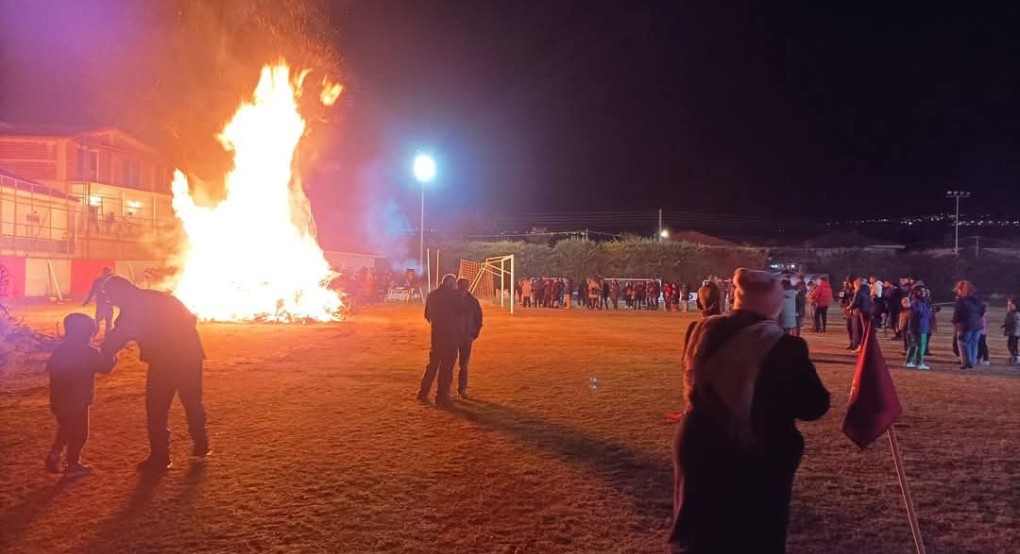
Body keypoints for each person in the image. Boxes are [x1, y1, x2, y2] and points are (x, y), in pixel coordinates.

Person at [671, 268, 829, 553]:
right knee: (751, 539)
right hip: (752, 458)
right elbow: (814, 406)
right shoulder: (784, 346)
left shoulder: (699, 329)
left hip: (697, 447)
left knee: (699, 537)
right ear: (772, 302)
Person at [101, 276, 209, 471]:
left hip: (164, 361)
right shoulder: (162, 297)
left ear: (121, 292)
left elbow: (119, 336)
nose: (111, 301)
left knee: (157, 408)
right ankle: (201, 444)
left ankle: (161, 456)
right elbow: (190, 319)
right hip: (190, 355)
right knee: (193, 401)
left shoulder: (131, 310)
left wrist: (105, 352)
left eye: (111, 297)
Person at [46, 313, 117, 477]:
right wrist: (111, 354)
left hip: (59, 398)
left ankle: (55, 453)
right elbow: (105, 367)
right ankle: (73, 464)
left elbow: (52, 370)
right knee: (79, 433)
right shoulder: (88, 352)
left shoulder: (60, 351)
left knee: (65, 428)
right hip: (79, 400)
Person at [418, 274, 464, 407]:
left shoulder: (431, 295)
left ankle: (423, 392)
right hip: (451, 336)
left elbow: (427, 315)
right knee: (446, 367)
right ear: (450, 284)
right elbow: (462, 312)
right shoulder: (454, 296)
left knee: (432, 365)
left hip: (436, 335)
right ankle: (442, 396)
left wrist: (436, 324)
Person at [455, 278, 483, 399]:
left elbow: (479, 319)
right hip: (452, 336)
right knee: (448, 364)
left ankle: (462, 389)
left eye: (465, 286)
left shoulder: (473, 302)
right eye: (462, 286)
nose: (464, 288)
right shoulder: (451, 300)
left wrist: (474, 333)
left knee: (464, 365)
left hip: (466, 337)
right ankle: (445, 390)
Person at [951, 280, 984, 370]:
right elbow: (982, 310)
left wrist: (955, 323)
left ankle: (966, 363)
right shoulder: (977, 300)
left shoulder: (961, 301)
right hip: (977, 324)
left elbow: (958, 315)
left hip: (965, 325)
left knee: (963, 343)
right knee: (973, 343)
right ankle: (972, 361)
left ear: (961, 290)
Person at [905, 287, 932, 370]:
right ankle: (919, 363)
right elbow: (921, 314)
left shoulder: (920, 302)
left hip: (919, 326)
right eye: (922, 292)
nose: (924, 293)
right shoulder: (916, 303)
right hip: (919, 327)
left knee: (914, 345)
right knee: (921, 345)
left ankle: (909, 361)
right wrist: (929, 311)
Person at [82, 267, 115, 336]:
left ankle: (102, 332)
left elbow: (92, 291)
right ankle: (101, 331)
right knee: (103, 318)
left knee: (104, 318)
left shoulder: (101, 280)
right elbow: (92, 291)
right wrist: (87, 300)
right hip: (104, 302)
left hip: (106, 302)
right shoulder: (100, 281)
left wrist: (87, 300)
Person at [1003, 298, 1019, 365]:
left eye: (1010, 305)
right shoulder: (1011, 313)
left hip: (1015, 332)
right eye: (1008, 305)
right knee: (1013, 346)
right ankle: (1015, 358)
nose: (1008, 306)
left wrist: (1008, 329)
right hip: (1013, 332)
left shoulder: (1015, 313)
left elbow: (1014, 323)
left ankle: (1017, 358)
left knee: (1011, 346)